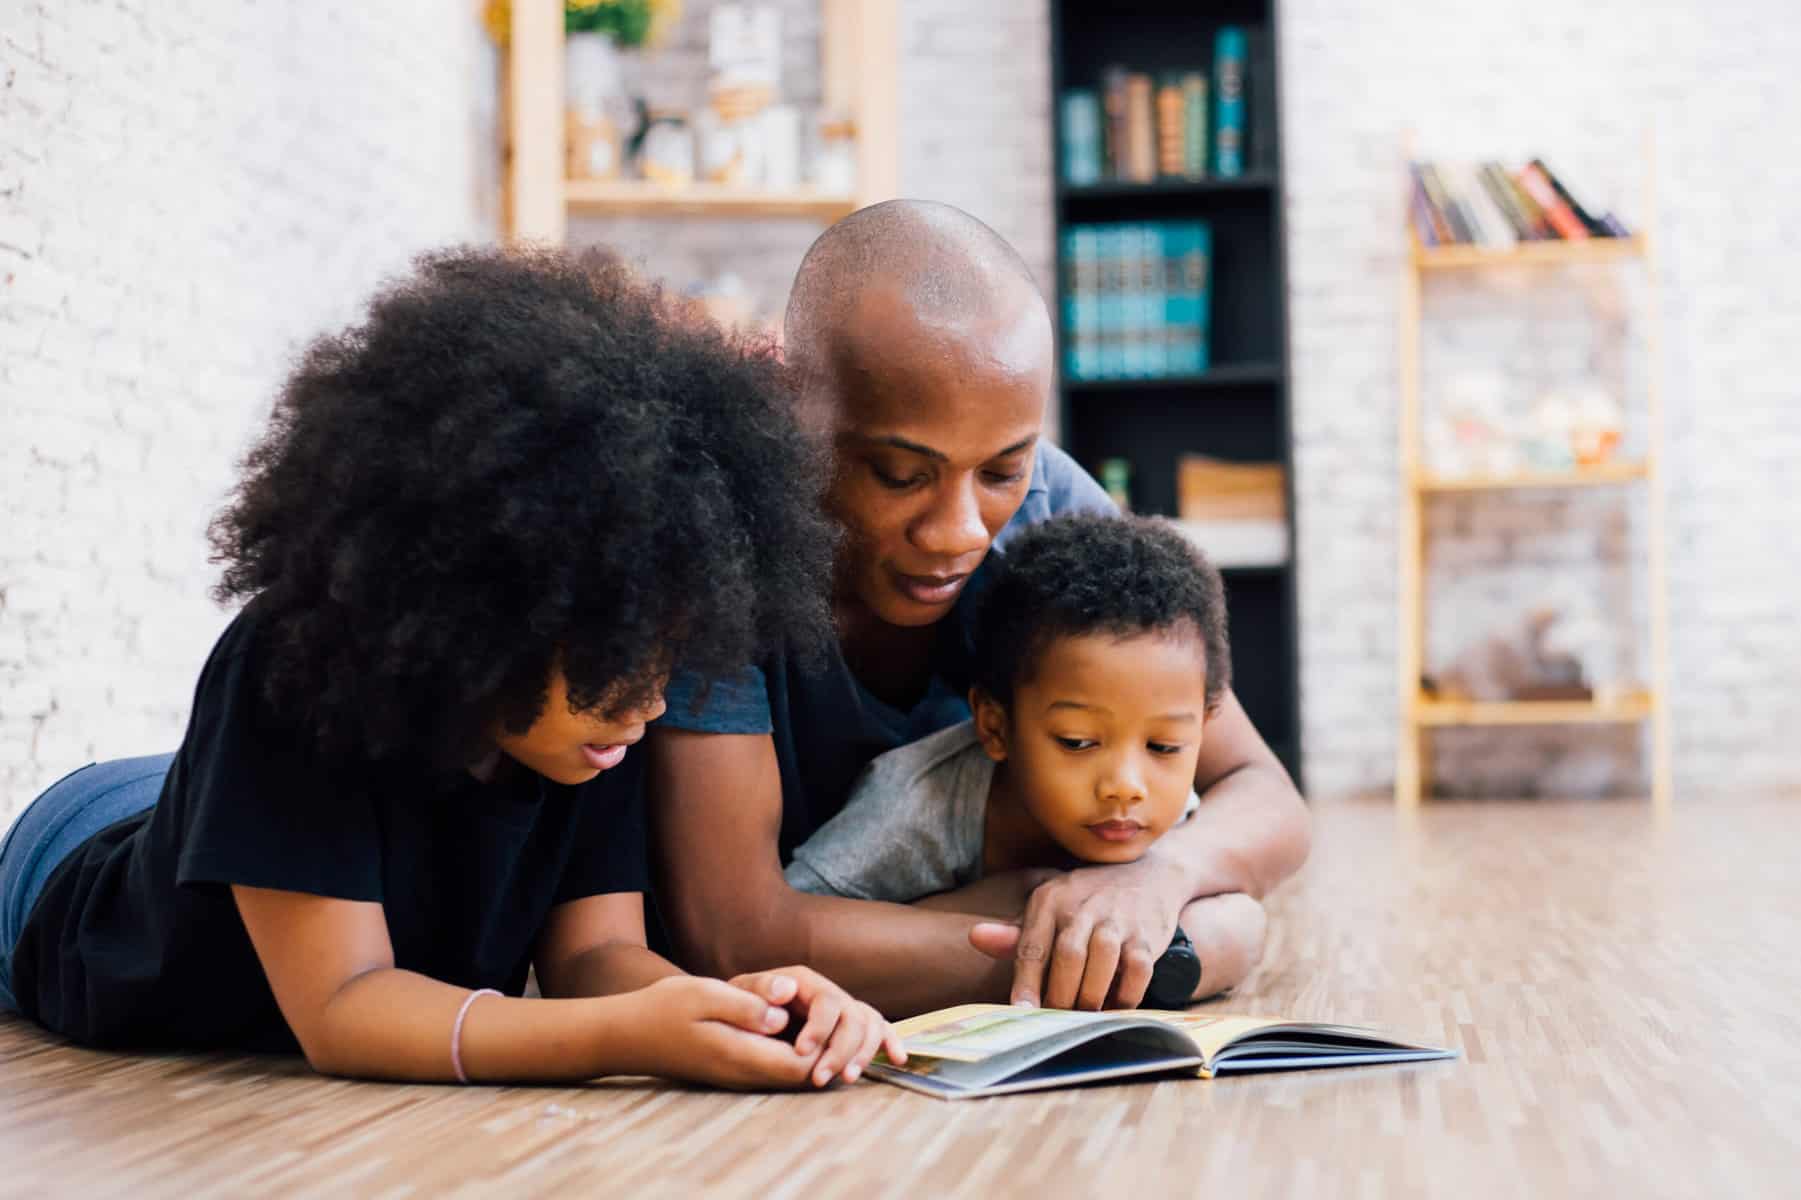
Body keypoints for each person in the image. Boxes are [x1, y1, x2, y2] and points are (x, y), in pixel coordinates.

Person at [0, 246, 902, 1089]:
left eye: (668, 653)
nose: (653, 698)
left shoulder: (593, 722)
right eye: (623, 655)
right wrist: (627, 1037)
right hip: (66, 865)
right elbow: (345, 1007)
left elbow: (593, 956)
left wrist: (741, 1006)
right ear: (488, 606)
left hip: (235, 815)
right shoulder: (297, 665)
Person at [649, 200, 1311, 1015]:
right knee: (1225, 934)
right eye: (900, 474)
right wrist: (1084, 942)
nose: (957, 531)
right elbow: (730, 935)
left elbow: (1259, 788)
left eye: (1001, 470)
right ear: (795, 412)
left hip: (887, 951)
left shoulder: (1051, 504)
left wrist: (1158, 878)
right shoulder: (717, 549)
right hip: (822, 943)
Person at [784, 513, 1268, 1009]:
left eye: (1164, 747)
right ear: (996, 727)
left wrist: (1146, 895)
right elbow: (787, 925)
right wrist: (998, 905)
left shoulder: (1172, 817)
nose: (1126, 786)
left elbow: (1245, 923)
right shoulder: (912, 806)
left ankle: (1118, 971)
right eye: (1078, 742)